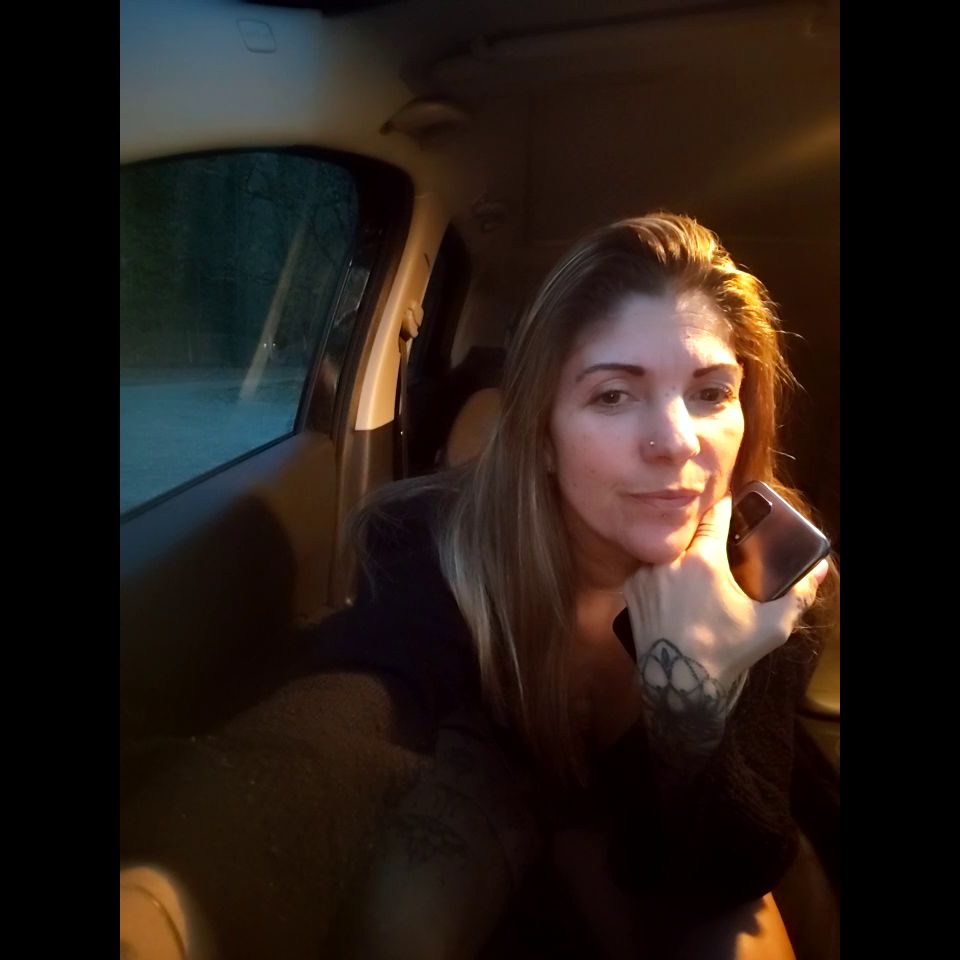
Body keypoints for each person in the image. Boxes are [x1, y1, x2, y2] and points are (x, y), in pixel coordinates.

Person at [120, 213, 837, 960]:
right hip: (498, 825)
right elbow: (354, 710)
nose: (677, 442)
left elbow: (732, 865)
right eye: (614, 396)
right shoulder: (435, 538)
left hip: (667, 848)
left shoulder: (773, 573)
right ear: (542, 433)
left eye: (711, 392)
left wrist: (693, 708)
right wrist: (171, 893)